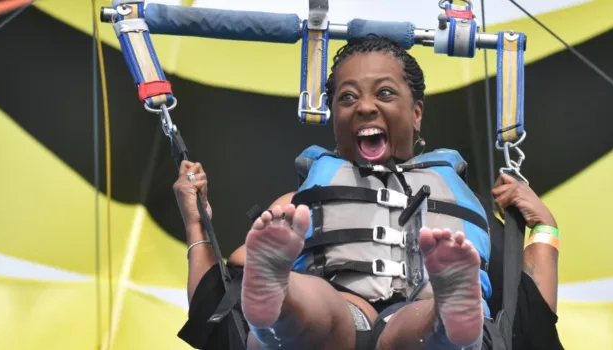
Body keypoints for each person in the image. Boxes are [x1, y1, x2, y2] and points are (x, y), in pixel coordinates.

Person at [174, 36, 562, 350]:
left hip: (417, 315)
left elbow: (528, 314)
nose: (364, 107)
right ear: (334, 120)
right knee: (321, 307)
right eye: (347, 97)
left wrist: (544, 227)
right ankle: (279, 305)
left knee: (416, 325)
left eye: (386, 93)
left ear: (417, 113)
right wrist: (196, 222)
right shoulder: (294, 208)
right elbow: (219, 300)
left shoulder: (462, 206)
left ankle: (449, 314)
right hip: (337, 312)